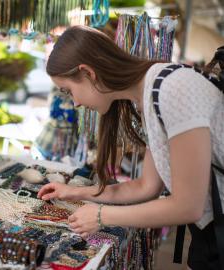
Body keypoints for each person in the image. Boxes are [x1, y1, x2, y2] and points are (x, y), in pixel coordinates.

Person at [37, 25, 224, 269]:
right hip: (208, 233)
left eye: (69, 91)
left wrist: (101, 215)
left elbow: (188, 205)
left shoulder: (171, 89)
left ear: (88, 73)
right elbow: (146, 187)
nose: (76, 103)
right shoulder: (148, 96)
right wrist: (75, 192)